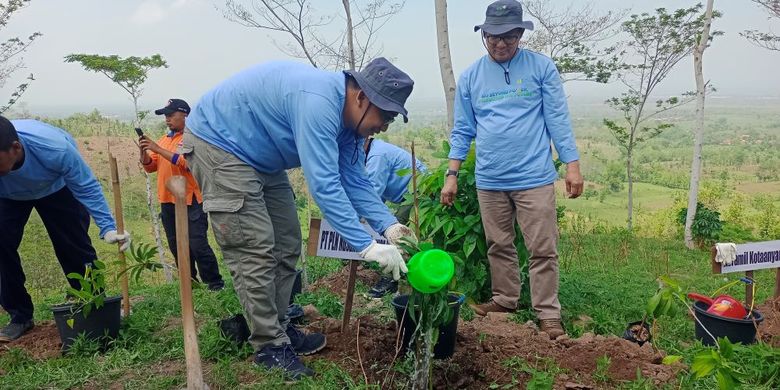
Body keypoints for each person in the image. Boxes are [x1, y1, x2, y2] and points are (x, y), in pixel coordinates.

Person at [181, 57, 416, 379]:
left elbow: (354, 178)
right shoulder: (319, 103)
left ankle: (278, 326)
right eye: (385, 116)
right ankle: (269, 346)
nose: (384, 126)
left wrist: (390, 225)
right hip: (220, 145)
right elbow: (324, 183)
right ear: (361, 96)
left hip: (263, 158)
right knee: (256, 248)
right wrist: (365, 245)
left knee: (287, 243)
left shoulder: (352, 124)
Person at [440, 0, 583, 340]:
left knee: (542, 248)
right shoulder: (472, 76)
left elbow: (557, 119)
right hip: (490, 179)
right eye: (493, 36)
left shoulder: (541, 68)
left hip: (533, 177)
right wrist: (451, 174)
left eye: (508, 36)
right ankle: (505, 302)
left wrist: (572, 165)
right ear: (484, 34)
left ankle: (548, 314)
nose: (500, 44)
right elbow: (462, 130)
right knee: (498, 244)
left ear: (520, 34)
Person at [0, 117, 130, 342]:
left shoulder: (54, 149)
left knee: (73, 245)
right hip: (7, 195)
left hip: (57, 187)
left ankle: (94, 304)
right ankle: (20, 316)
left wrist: (107, 227)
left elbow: (86, 186)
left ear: (15, 148)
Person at [139, 98, 225, 291]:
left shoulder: (193, 137)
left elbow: (188, 164)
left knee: (197, 244)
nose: (167, 119)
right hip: (167, 200)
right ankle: (189, 283)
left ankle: (215, 284)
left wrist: (158, 149)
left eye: (171, 115)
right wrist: (144, 152)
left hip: (190, 200)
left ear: (185, 115)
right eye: (165, 116)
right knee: (176, 245)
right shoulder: (165, 139)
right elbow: (151, 167)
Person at [363, 137, 427, 299]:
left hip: (420, 192)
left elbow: (372, 193)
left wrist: (357, 219)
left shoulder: (376, 156)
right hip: (409, 196)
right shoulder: (371, 152)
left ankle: (391, 280)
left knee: (399, 234)